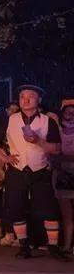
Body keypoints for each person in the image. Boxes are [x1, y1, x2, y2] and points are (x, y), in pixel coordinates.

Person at [0, 84, 68, 260]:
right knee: (16, 208)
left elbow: (57, 148)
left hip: (40, 170)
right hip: (17, 170)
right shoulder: (10, 119)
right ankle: (23, 246)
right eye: (22, 96)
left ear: (39, 100)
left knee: (49, 209)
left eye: (30, 96)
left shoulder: (47, 121)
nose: (25, 100)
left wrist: (38, 141)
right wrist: (3, 157)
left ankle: (53, 247)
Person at [56, 99, 74, 254]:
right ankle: (67, 247)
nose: (71, 115)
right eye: (68, 112)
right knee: (66, 215)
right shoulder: (57, 131)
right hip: (64, 177)